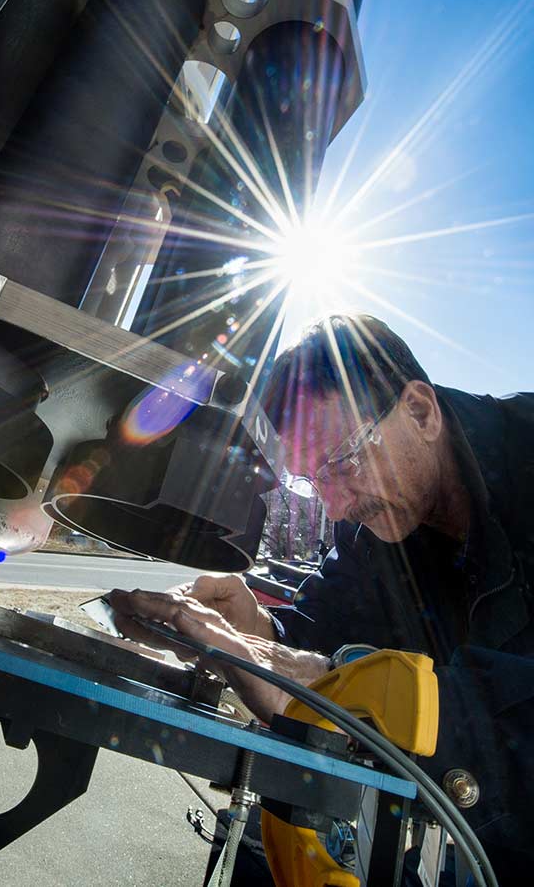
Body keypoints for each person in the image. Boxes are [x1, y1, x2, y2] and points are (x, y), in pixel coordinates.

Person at [110, 313, 534, 884]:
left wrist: (348, 699)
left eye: (342, 462)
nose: (333, 506)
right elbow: (330, 627)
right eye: (315, 482)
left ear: (419, 411)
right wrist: (262, 632)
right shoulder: (376, 525)